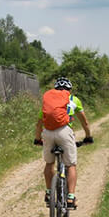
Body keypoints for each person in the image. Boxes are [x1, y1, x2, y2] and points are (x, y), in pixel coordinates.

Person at [34, 77, 92, 209]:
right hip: (65, 132)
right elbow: (85, 122)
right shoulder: (73, 99)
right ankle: (70, 198)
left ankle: (49, 193)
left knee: (49, 163)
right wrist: (88, 136)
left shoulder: (48, 102)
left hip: (48, 132)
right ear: (69, 90)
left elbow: (39, 124)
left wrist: (38, 139)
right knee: (71, 165)